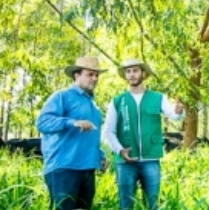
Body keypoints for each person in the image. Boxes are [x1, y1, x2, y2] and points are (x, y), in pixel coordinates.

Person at [103, 58, 183, 210]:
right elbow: (108, 131)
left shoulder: (158, 98)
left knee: (152, 205)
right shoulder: (117, 101)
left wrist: (179, 111)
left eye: (135, 70)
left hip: (150, 160)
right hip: (124, 162)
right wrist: (119, 150)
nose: (131, 74)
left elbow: (174, 115)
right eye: (128, 71)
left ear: (143, 73)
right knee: (125, 206)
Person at [36, 55, 109, 210]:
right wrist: (72, 122)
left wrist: (100, 156)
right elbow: (42, 122)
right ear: (77, 75)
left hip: (87, 169)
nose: (95, 78)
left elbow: (90, 138)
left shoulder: (94, 107)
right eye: (90, 74)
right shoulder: (62, 96)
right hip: (64, 168)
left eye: (97, 75)